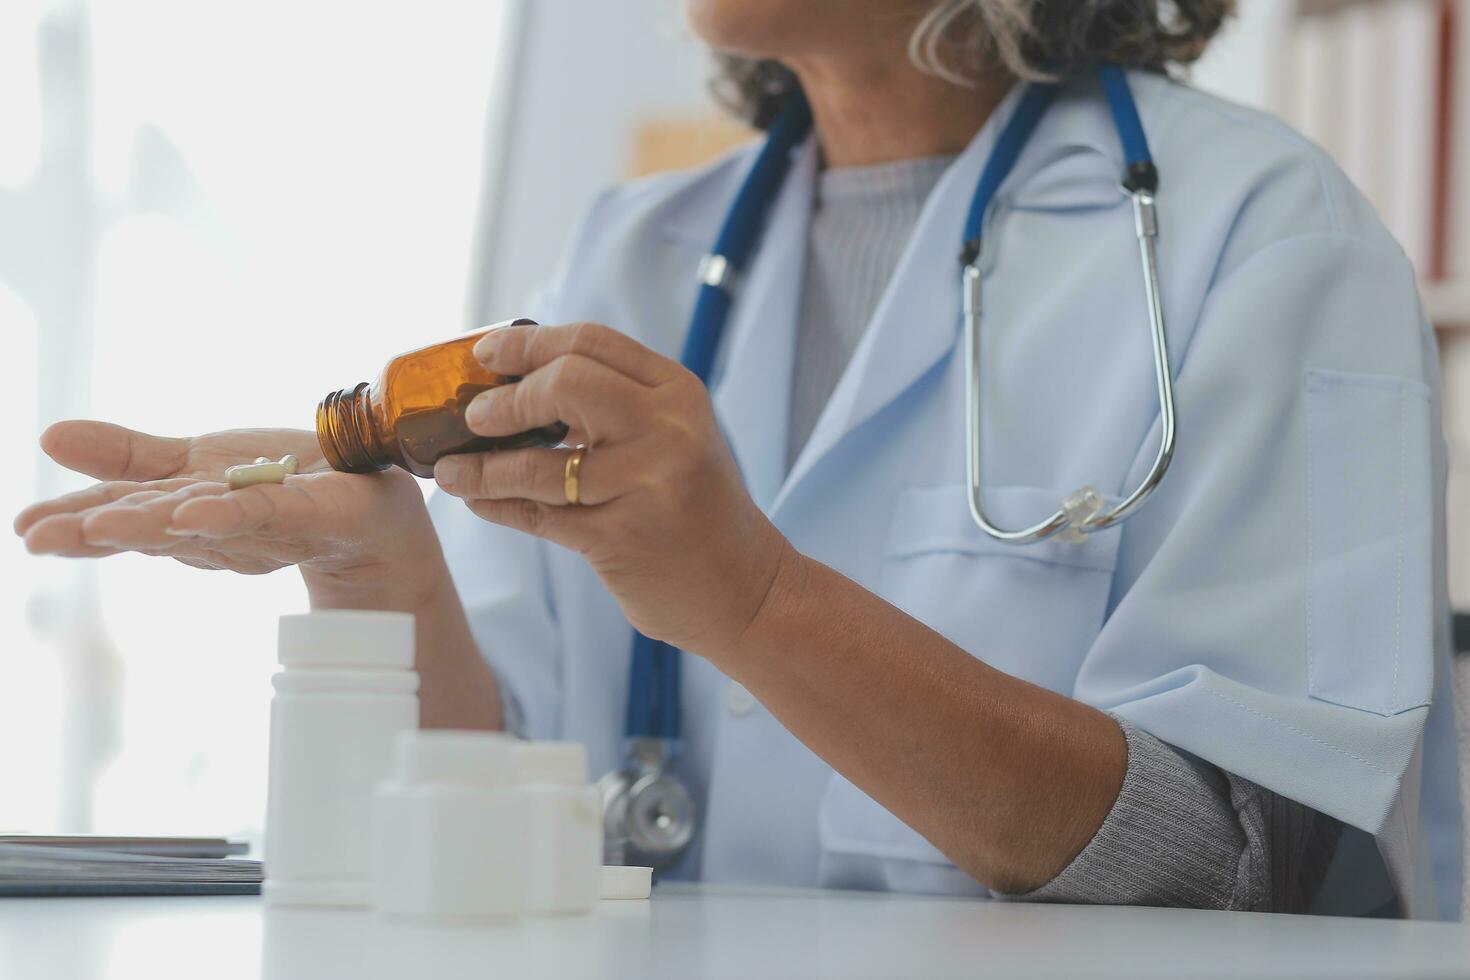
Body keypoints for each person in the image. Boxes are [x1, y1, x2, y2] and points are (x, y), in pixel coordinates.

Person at [14, 0, 1462, 918]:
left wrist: (749, 601)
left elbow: (1239, 867)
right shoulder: (634, 247)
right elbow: (509, 814)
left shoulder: (1262, 238)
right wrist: (379, 565)